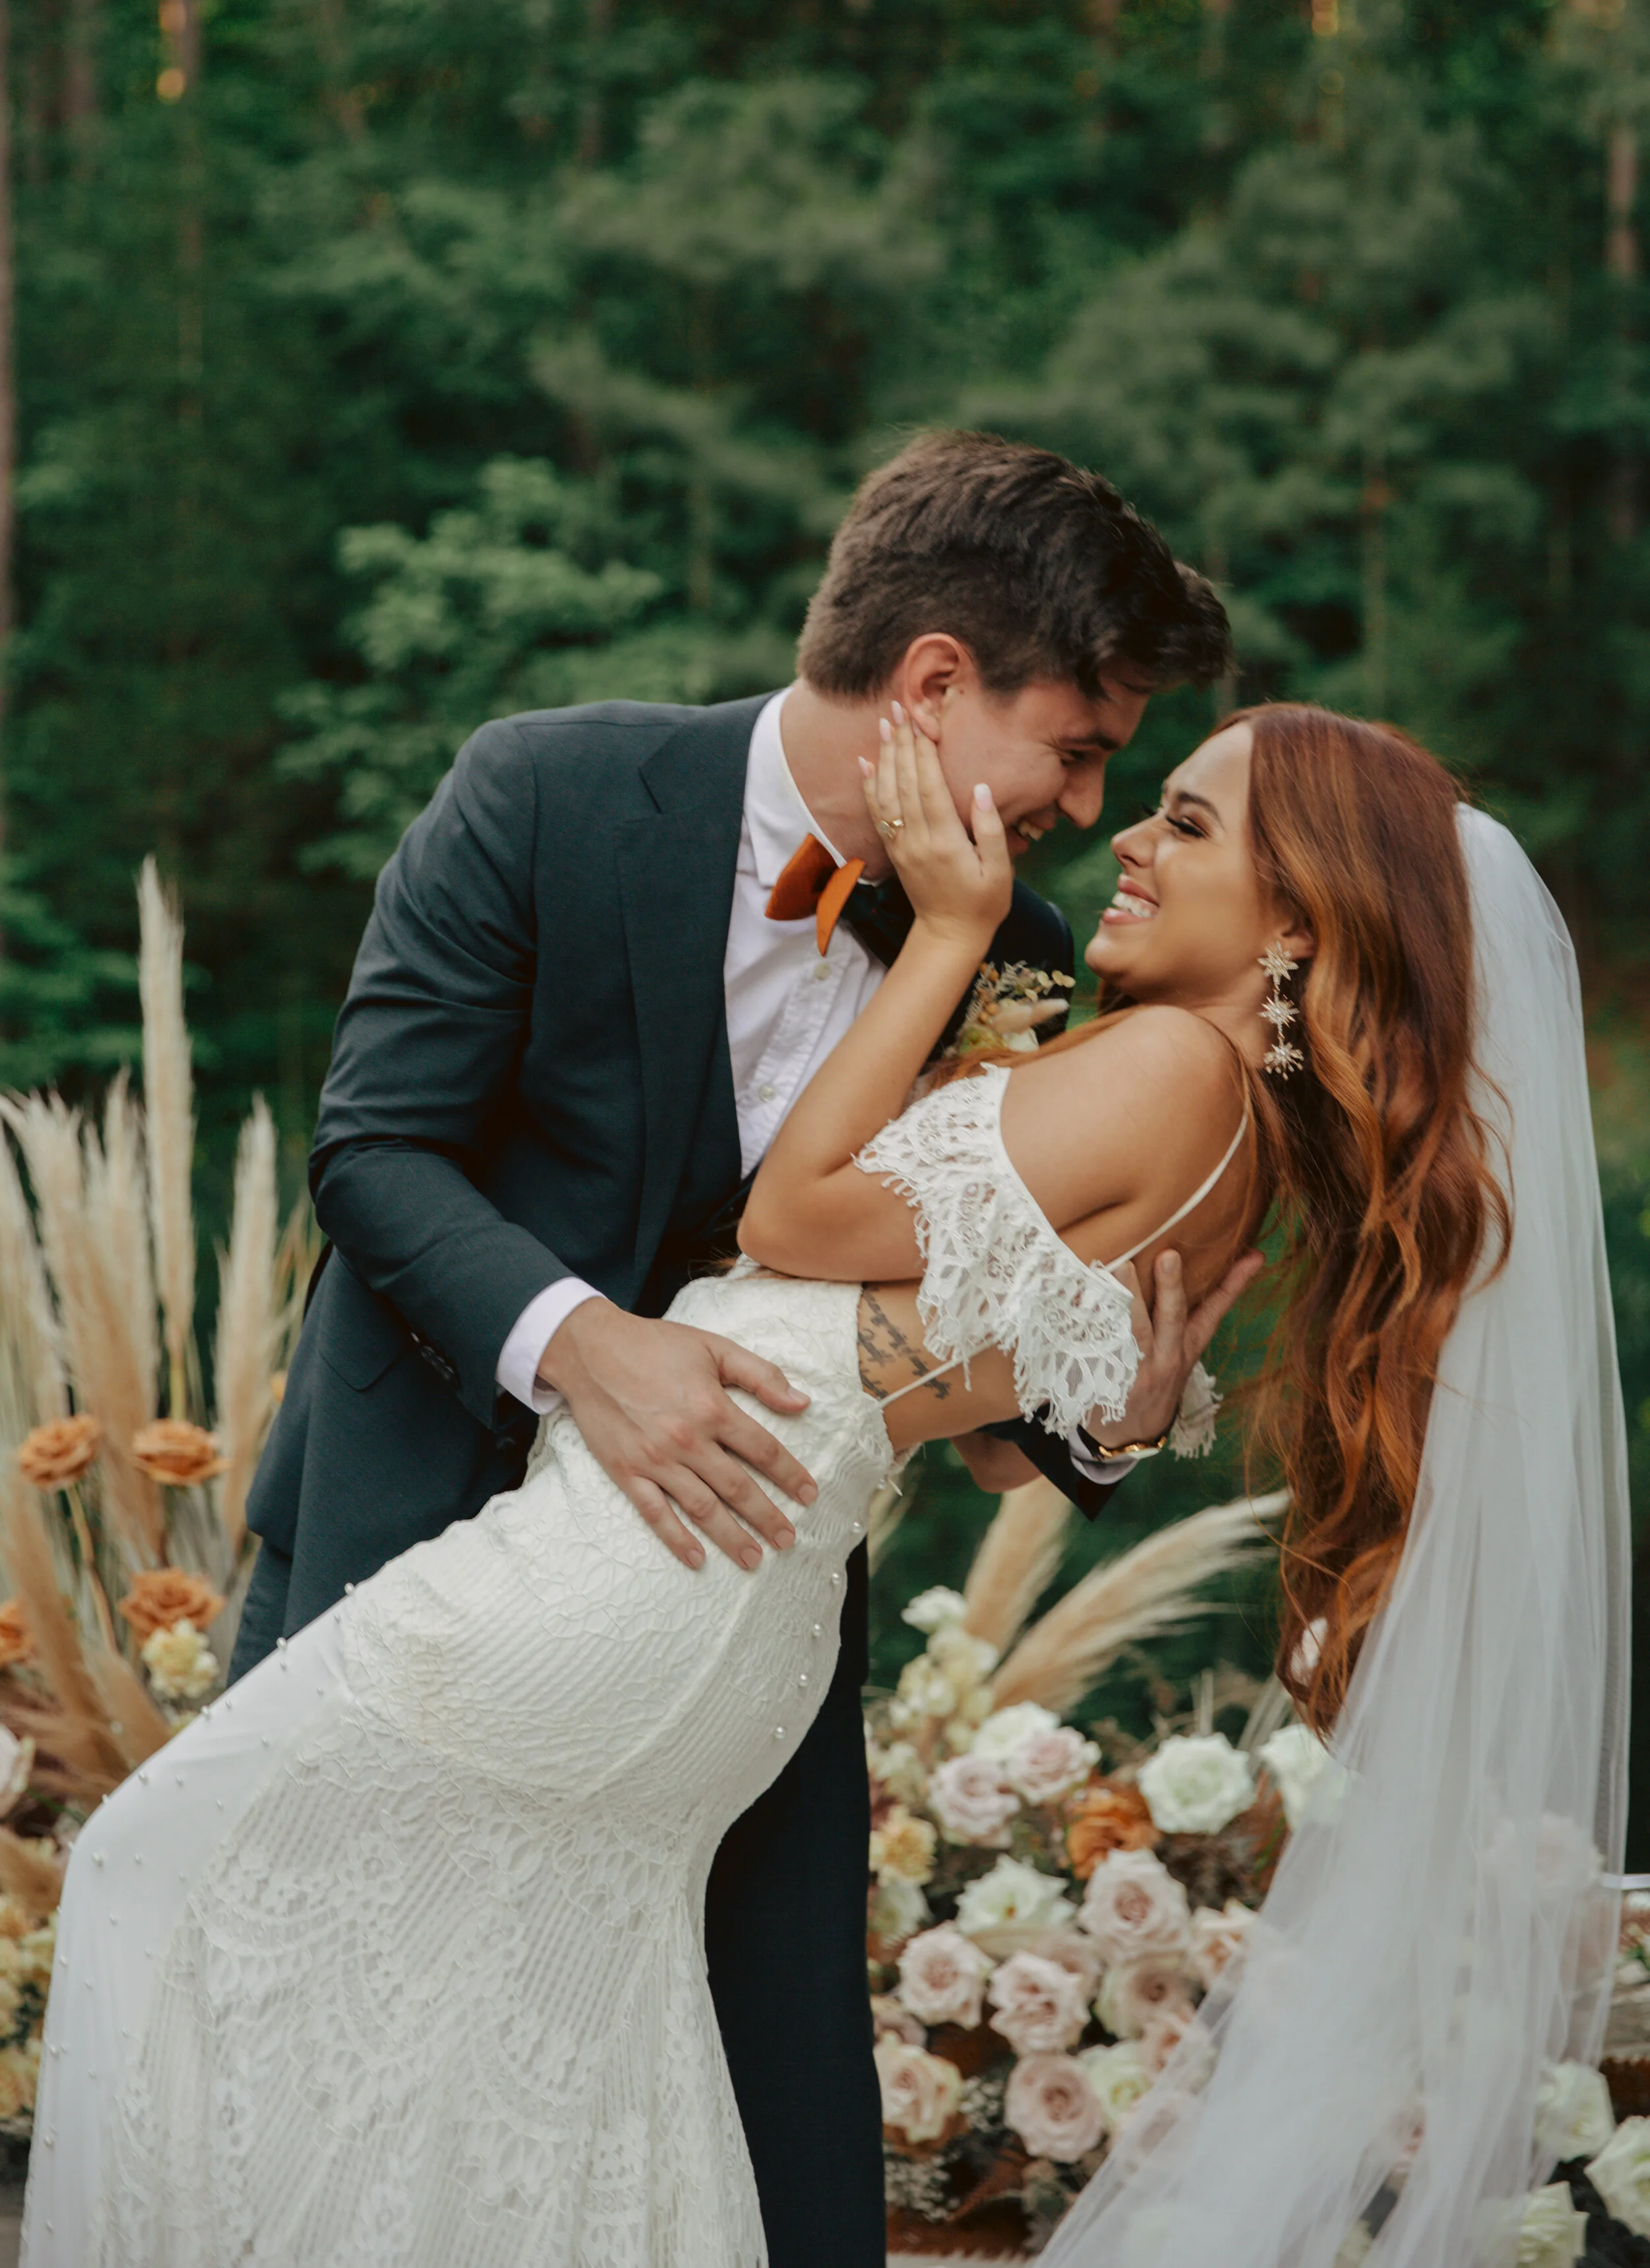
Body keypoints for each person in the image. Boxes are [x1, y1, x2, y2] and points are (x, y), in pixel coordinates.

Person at [30, 696, 1616, 2268]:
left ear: (1296, 919)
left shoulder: (1162, 1069)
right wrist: (1114, 1428)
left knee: (157, 1866)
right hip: (718, 1580)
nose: (1122, 828)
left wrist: (949, 932)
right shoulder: (1223, 1106)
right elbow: (989, 1410)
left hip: (641, 1564)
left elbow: (788, 1216)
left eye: (1184, 821)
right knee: (551, 2055)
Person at [224, 429, 1243, 2268]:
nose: (1089, 806)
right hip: (411, 1553)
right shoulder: (544, 787)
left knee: (771, 2146)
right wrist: (585, 1349)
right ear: (932, 681)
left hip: (734, 1618)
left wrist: (1103, 1417)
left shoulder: (1008, 949)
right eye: (1077, 746)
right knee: (337, 2115)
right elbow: (373, 1145)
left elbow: (966, 1367)